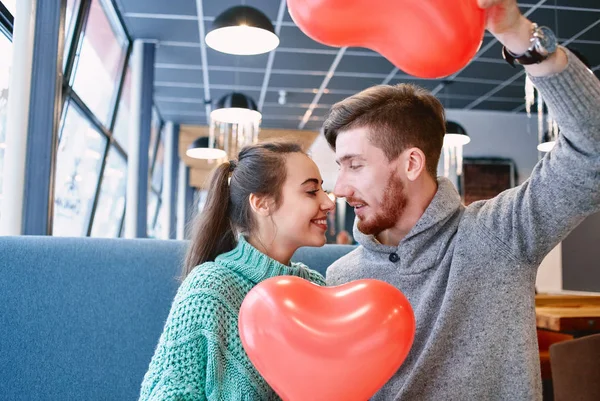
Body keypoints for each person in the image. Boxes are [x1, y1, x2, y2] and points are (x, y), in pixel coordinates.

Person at [323, 0, 600, 399]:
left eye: (354, 165)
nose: (341, 187)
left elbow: (592, 149)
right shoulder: (341, 278)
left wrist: (516, 32)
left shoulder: (498, 235)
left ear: (412, 163)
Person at [139, 142, 335, 400]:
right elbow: (168, 393)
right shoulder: (210, 287)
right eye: (311, 191)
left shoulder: (317, 288)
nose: (327, 202)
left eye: (323, 189)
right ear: (262, 203)